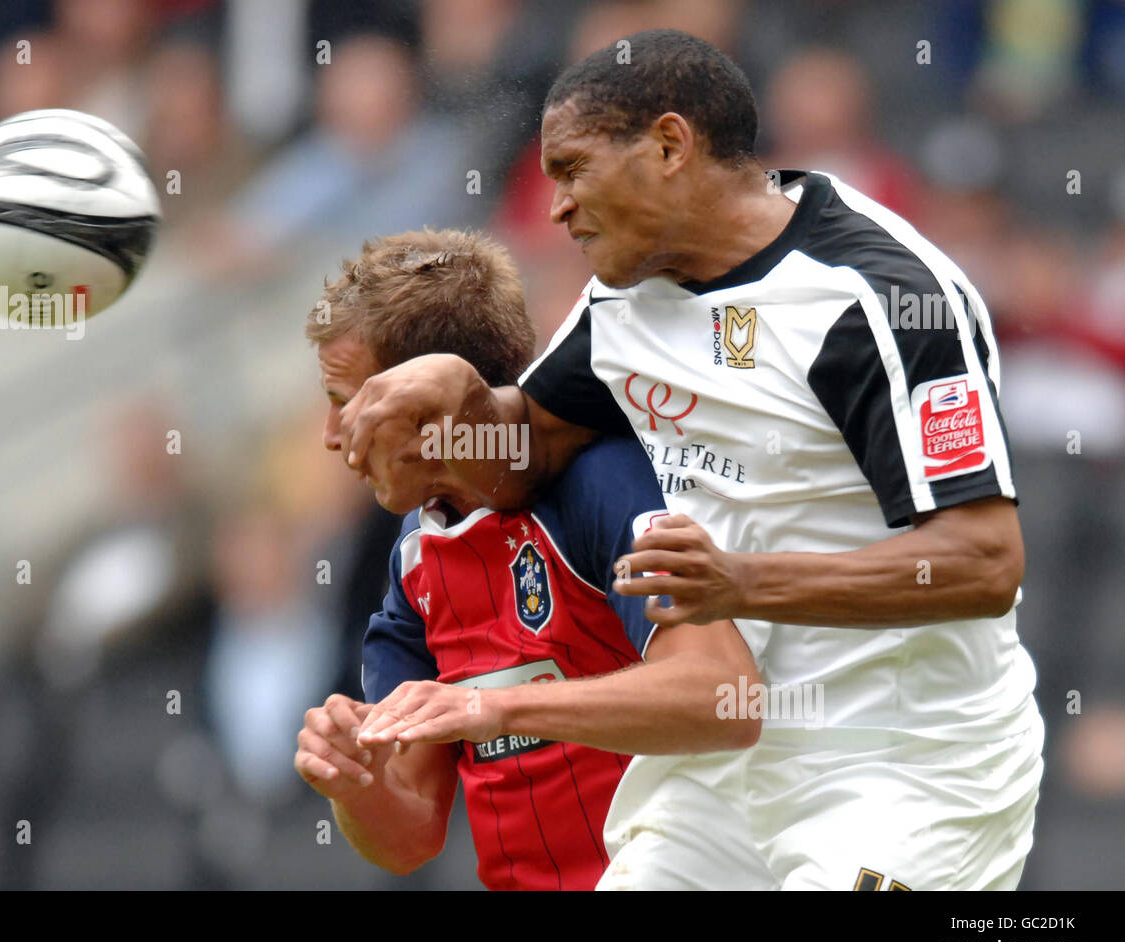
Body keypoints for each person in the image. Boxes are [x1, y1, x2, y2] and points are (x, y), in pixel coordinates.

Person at [342, 30, 1044, 890]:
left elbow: (985, 562)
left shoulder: (879, 297)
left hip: (903, 765)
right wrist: (458, 407)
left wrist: (744, 583)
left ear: (669, 146)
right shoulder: (627, 300)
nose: (556, 206)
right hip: (724, 763)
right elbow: (527, 452)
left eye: (572, 170)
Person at [292, 228, 762, 890]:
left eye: (349, 404)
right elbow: (412, 830)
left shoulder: (601, 485)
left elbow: (725, 697)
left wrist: (501, 710)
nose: (331, 435)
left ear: (423, 406)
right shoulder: (411, 559)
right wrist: (353, 783)